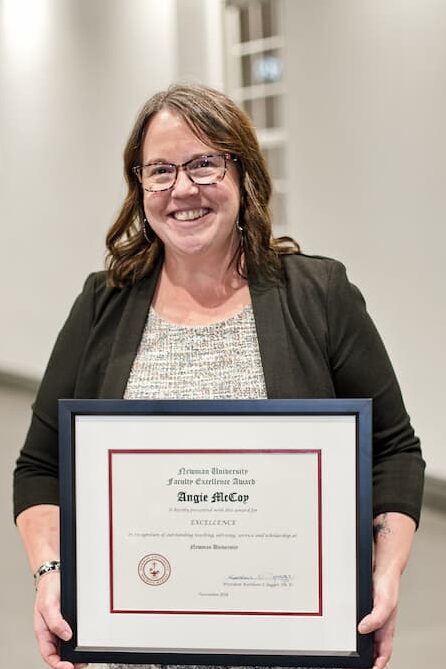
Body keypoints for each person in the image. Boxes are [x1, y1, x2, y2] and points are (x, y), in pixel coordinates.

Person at [13, 83, 424, 669]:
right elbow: (40, 468)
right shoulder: (103, 304)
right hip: (136, 649)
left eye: (205, 163)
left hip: (291, 646)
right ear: (140, 186)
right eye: (160, 170)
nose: (182, 189)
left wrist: (384, 574)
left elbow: (394, 450)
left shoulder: (319, 295)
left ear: (244, 174)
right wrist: (52, 574)